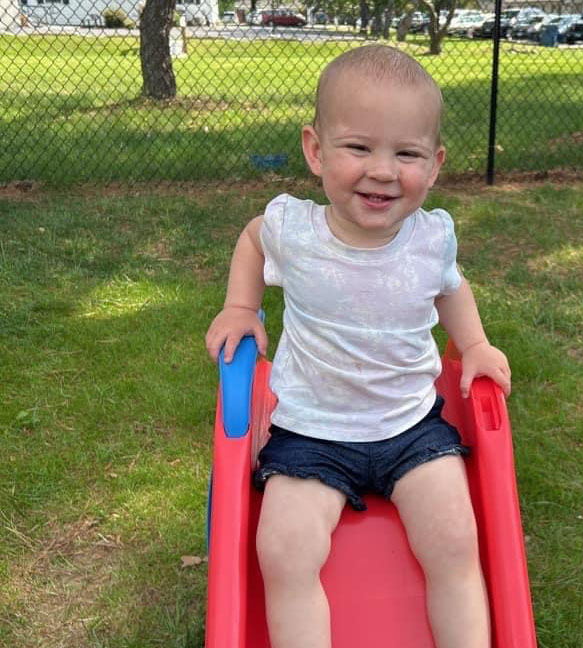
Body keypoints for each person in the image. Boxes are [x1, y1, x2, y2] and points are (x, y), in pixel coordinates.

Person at [205, 44, 511, 648]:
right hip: (312, 430)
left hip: (411, 427)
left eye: (407, 154)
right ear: (316, 151)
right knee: (284, 550)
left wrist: (471, 344)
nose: (383, 170)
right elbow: (251, 240)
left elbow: (451, 288)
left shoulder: (430, 238)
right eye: (358, 148)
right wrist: (243, 306)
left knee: (455, 541)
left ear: (436, 163)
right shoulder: (294, 230)